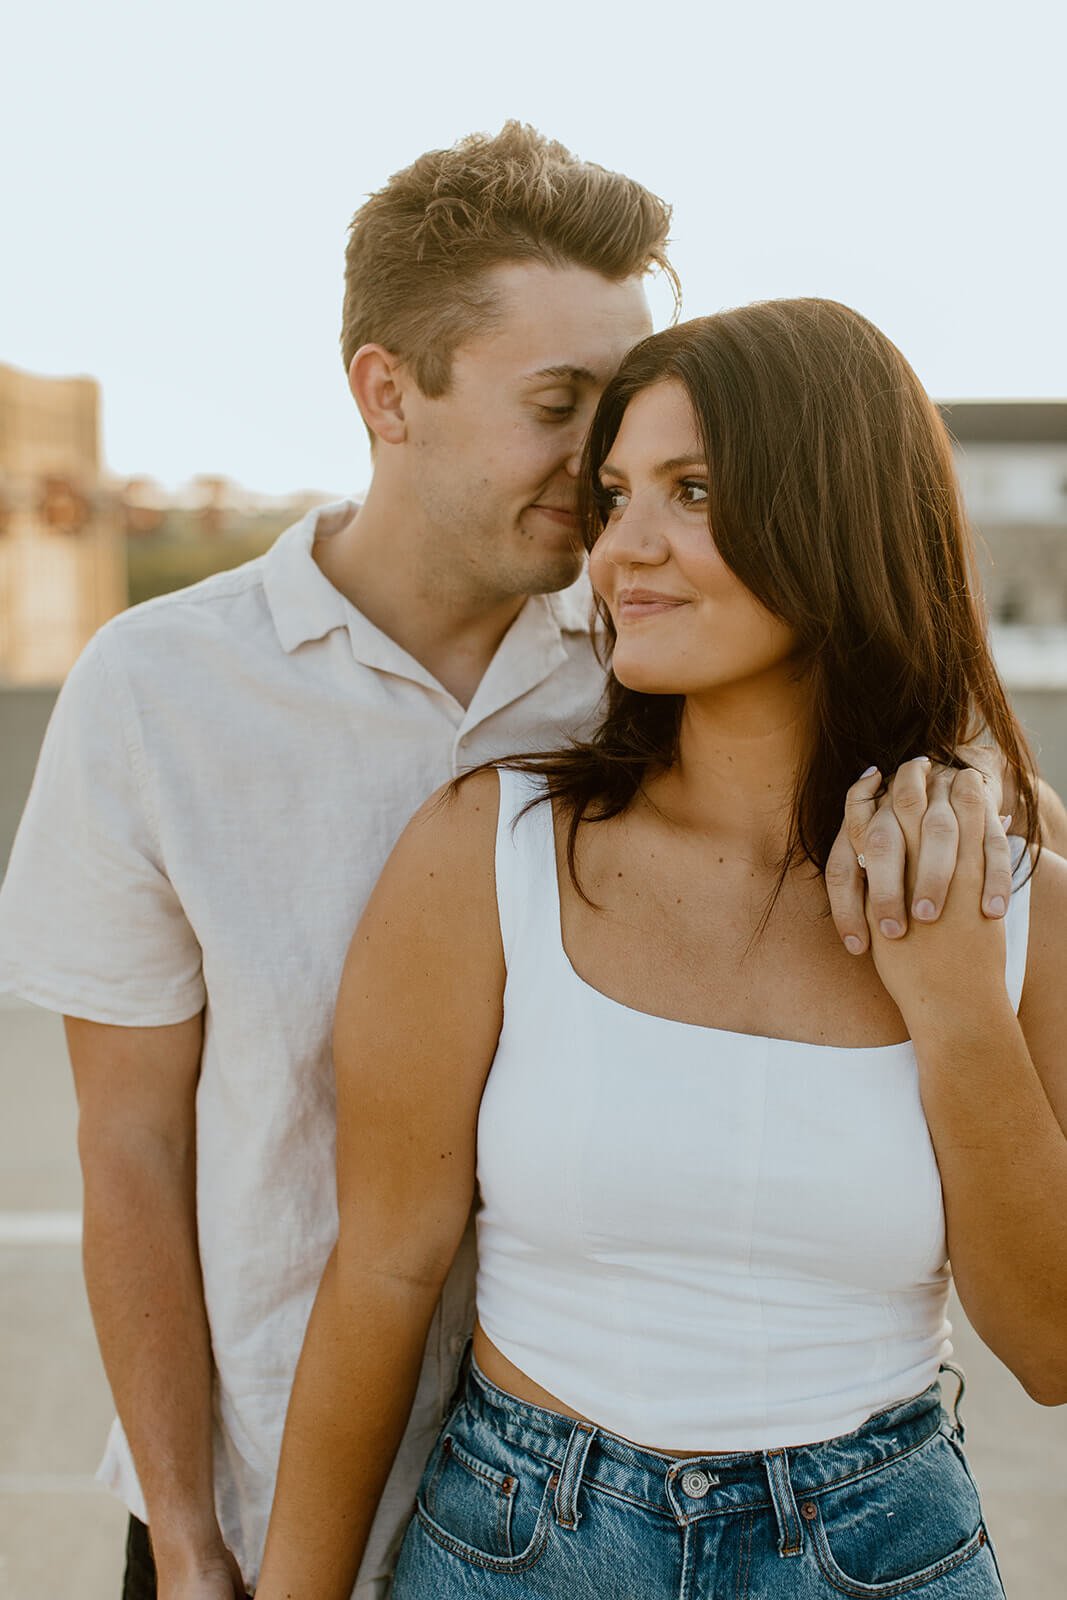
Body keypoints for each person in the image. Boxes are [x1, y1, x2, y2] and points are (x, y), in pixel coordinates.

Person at [0, 126, 1050, 1596]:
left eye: (629, 437)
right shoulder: (160, 692)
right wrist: (186, 1539)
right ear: (387, 393)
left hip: (587, 1467)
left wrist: (962, 790)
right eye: (560, 412)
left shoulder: (645, 657)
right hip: (259, 1490)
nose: (600, 490)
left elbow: (868, 698)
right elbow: (129, 1152)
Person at [255, 301, 1067, 1600]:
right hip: (523, 1545)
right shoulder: (494, 851)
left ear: (839, 514)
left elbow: (1054, 1348)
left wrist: (958, 1013)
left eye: (692, 492)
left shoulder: (1015, 892)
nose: (624, 546)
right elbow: (382, 1276)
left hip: (877, 1552)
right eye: (618, 492)